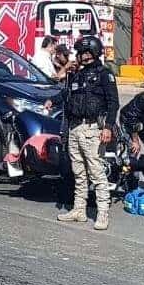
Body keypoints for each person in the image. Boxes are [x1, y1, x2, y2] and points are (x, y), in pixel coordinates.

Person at [46, 36, 120, 231]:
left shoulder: (104, 74)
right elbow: (66, 94)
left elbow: (113, 103)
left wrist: (108, 127)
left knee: (96, 172)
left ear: (95, 53)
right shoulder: (77, 75)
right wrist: (51, 101)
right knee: (78, 172)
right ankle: (79, 209)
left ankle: (102, 212)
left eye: (87, 53)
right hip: (75, 128)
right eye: (81, 53)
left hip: (93, 128)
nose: (84, 57)